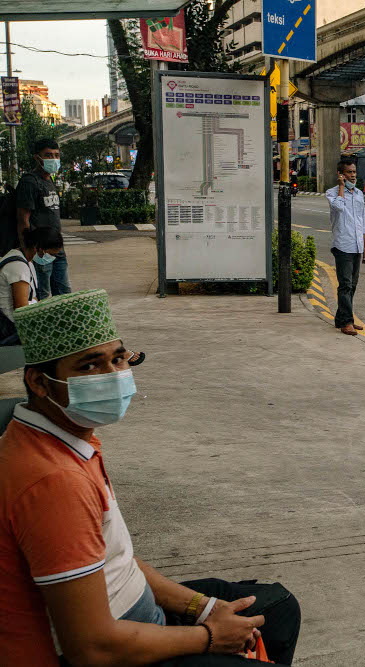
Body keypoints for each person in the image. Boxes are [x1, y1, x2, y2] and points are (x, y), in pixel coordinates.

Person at [0, 289, 301, 666]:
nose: (113, 376)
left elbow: (118, 557)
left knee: (279, 609)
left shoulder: (64, 439)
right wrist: (210, 637)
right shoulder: (53, 481)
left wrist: (204, 608)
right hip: (117, 651)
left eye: (117, 359)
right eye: (89, 366)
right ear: (39, 383)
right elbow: (92, 648)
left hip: (139, 616)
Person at [15, 139, 70, 300]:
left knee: (64, 294)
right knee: (42, 295)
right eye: (48, 155)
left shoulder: (49, 180)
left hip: (56, 248)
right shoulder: (29, 182)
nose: (53, 159)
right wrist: (29, 251)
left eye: (56, 155)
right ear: (37, 158)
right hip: (40, 251)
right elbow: (23, 219)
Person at [0, 226, 64, 345]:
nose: (51, 259)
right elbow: (21, 309)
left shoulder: (26, 261)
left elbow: (32, 297)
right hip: (10, 329)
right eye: (50, 254)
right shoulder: (18, 266)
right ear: (38, 248)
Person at [325, 160, 365, 336]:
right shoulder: (332, 193)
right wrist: (341, 187)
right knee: (345, 285)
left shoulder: (359, 194)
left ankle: (342, 318)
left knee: (353, 285)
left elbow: (362, 221)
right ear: (341, 174)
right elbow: (338, 208)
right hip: (343, 245)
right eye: (349, 172)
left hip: (357, 245)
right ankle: (347, 322)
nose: (353, 175)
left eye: (354, 172)